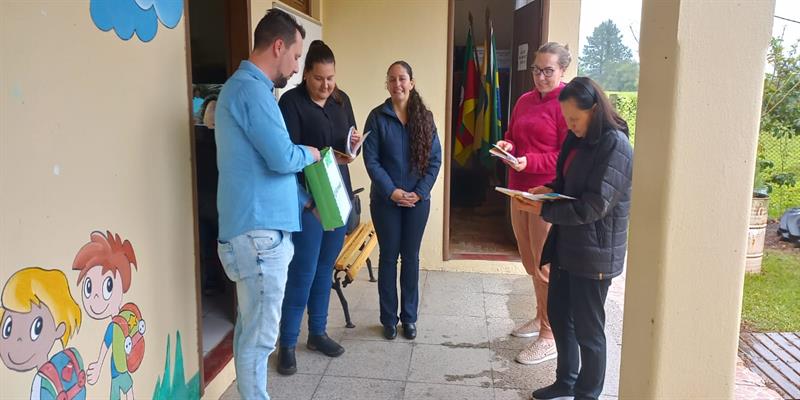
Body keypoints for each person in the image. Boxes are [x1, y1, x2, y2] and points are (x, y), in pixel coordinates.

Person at [213, 9, 320, 400]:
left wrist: (305, 201)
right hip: (257, 237)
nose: (295, 68)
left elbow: (265, 166)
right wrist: (310, 153)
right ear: (278, 46)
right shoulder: (250, 90)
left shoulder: (251, 90)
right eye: (295, 56)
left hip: (259, 232)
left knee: (251, 332)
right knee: (259, 341)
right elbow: (282, 157)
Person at [514, 76, 633, 400]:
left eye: (575, 119)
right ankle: (565, 381)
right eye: (567, 119)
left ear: (594, 109)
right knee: (559, 314)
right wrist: (548, 191)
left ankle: (587, 393)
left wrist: (543, 212)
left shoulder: (615, 144)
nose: (571, 125)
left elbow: (595, 205)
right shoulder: (577, 139)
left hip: (595, 253)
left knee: (589, 330)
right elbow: (566, 182)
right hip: (568, 246)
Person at [275, 40, 361, 375]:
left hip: (337, 197)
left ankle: (318, 333)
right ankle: (287, 343)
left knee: (325, 269)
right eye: (318, 78)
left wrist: (352, 146)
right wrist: (306, 201)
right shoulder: (291, 104)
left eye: (331, 78)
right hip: (307, 201)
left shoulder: (342, 100)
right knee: (303, 272)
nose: (326, 86)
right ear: (306, 74)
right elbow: (287, 158)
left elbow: (348, 143)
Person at [494, 42, 571, 365]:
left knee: (544, 266)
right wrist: (507, 144)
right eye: (536, 70)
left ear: (563, 70)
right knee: (528, 261)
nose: (540, 77)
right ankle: (540, 317)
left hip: (545, 193)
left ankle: (550, 335)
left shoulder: (567, 103)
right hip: (518, 190)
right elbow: (514, 134)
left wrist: (531, 162)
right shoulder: (525, 100)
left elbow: (567, 155)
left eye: (548, 71)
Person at [363, 61, 442, 341]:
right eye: (392, 79)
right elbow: (370, 160)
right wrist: (392, 191)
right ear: (387, 84)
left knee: (410, 258)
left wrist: (419, 192)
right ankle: (388, 319)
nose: (398, 84)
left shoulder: (426, 118)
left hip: (418, 202)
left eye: (403, 78)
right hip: (386, 201)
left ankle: (409, 318)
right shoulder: (376, 117)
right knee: (388, 258)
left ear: (412, 82)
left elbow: (435, 160)